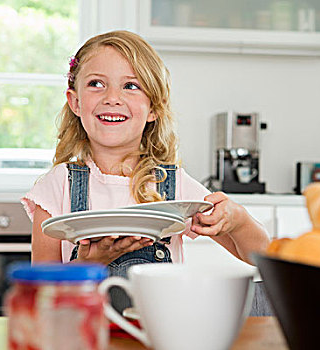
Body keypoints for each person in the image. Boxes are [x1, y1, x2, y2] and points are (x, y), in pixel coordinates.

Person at [21, 30, 269, 310]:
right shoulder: (56, 187)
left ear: (153, 108)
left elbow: (262, 257)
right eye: (96, 83)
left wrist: (237, 219)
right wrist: (91, 263)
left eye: (131, 86)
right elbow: (40, 296)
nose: (112, 98)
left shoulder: (172, 185)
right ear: (75, 102)